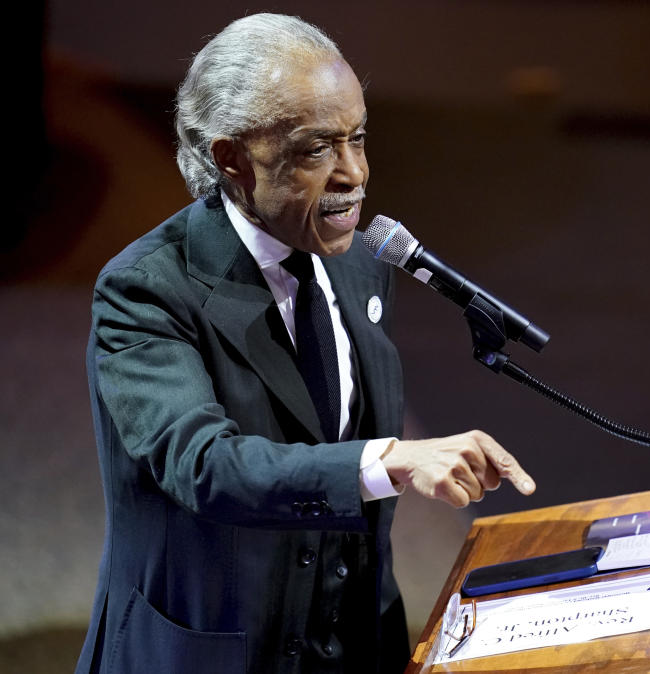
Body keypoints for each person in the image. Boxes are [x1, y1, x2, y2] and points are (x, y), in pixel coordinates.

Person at [75, 13, 535, 674]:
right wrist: (389, 461)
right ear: (231, 157)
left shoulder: (359, 262)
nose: (353, 174)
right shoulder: (146, 289)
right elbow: (204, 465)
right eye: (316, 149)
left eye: (358, 138)